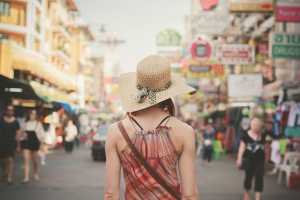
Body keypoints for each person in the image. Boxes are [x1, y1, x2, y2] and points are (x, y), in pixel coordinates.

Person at [104, 55, 199, 199]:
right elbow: (190, 195)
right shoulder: (185, 131)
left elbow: (110, 194)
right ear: (168, 91)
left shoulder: (117, 131)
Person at [236, 118, 265, 200]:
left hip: (259, 161)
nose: (256, 127)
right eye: (254, 125)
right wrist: (239, 158)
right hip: (249, 161)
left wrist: (266, 160)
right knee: (248, 177)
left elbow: (265, 148)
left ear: (260, 126)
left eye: (257, 125)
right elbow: (242, 147)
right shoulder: (245, 135)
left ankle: (257, 197)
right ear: (250, 126)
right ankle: (247, 193)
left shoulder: (262, 135)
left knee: (259, 178)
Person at [21, 109, 45, 183]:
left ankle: (35, 173)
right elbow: (21, 134)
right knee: (26, 160)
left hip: (35, 143)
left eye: (34, 114)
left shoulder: (38, 124)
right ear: (29, 114)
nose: (33, 115)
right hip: (26, 143)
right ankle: (26, 177)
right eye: (31, 114)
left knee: (35, 160)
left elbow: (42, 135)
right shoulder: (24, 123)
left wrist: (42, 144)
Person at [0, 105, 21, 185]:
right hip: (2, 142)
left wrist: (18, 146)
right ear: (6, 111)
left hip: (11, 143)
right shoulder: (1, 121)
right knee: (1, 161)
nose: (10, 111)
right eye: (8, 110)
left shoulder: (16, 122)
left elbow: (18, 134)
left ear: (13, 111)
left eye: (11, 110)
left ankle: (9, 178)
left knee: (10, 160)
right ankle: (5, 170)